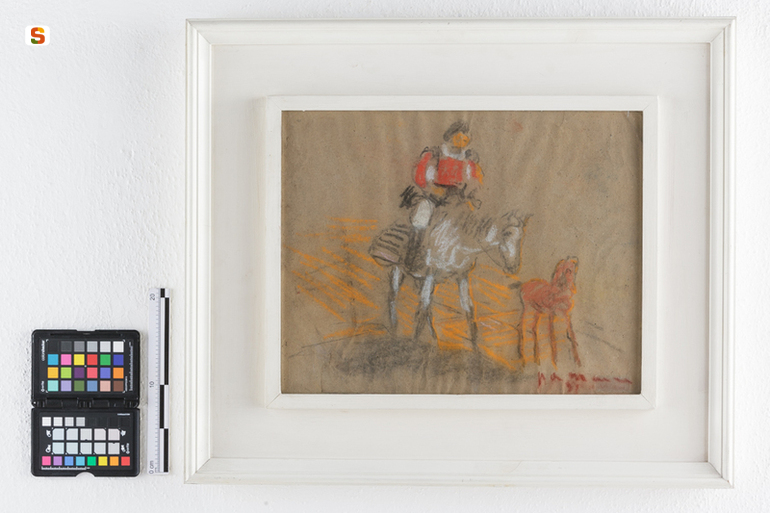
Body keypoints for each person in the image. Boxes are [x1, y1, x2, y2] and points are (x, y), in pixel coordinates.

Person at [409, 121, 483, 230]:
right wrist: (432, 189)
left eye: (465, 140)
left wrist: (467, 192)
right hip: (433, 194)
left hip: (457, 195)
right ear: (449, 136)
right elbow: (422, 174)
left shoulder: (468, 158)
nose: (461, 143)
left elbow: (473, 179)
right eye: (458, 138)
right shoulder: (436, 153)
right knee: (422, 215)